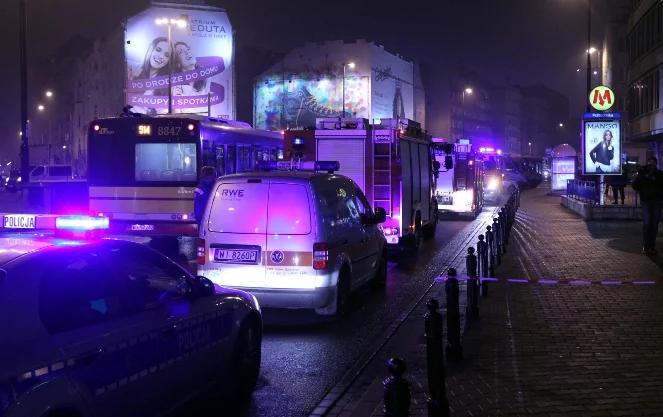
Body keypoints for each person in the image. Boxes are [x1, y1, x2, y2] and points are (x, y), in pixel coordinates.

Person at [632, 157, 663, 254]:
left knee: (654, 225)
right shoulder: (643, 174)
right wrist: (641, 176)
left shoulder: (660, 174)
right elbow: (634, 186)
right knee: (647, 224)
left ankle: (652, 246)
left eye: (653, 164)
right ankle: (646, 246)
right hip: (645, 201)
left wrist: (654, 179)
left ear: (656, 164)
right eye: (649, 164)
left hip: (657, 201)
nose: (651, 166)